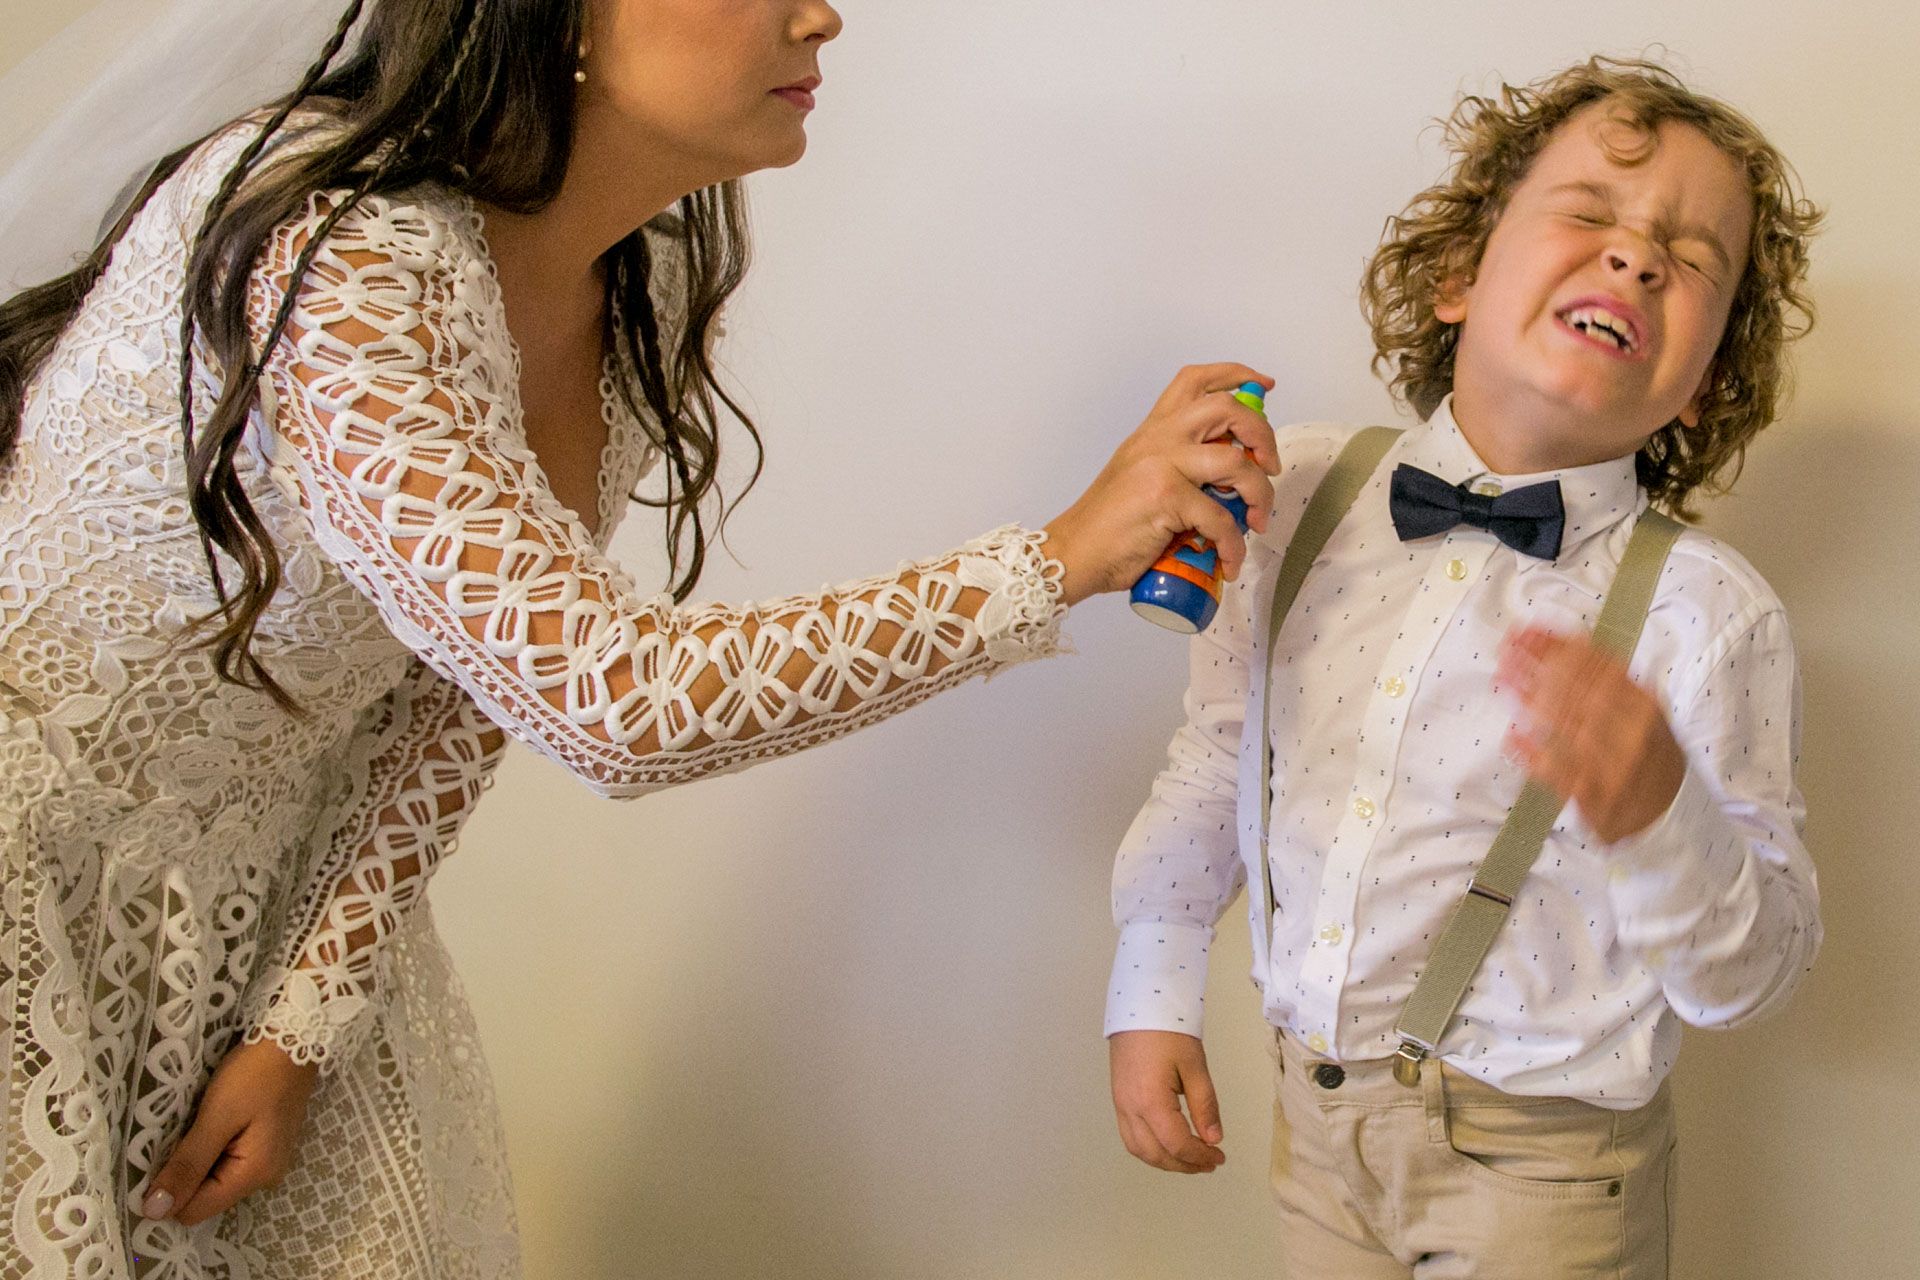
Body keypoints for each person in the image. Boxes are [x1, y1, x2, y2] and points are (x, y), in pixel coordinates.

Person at [0, 0, 1284, 1271]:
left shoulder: (640, 275)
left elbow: (453, 700)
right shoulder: (338, 255)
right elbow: (611, 697)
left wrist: (302, 1020)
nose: (820, 17)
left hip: (266, 893)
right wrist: (1058, 560)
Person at [1103, 57, 1822, 1276]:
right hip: (1313, 1131)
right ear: (1457, 278)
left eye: (1692, 260)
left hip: (1550, 1170)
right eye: (1592, 213)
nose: (1637, 257)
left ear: (1705, 385)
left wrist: (1661, 817)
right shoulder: (1291, 498)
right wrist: (1151, 981)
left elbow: (1753, 977)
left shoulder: (1712, 616)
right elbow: (1220, 757)